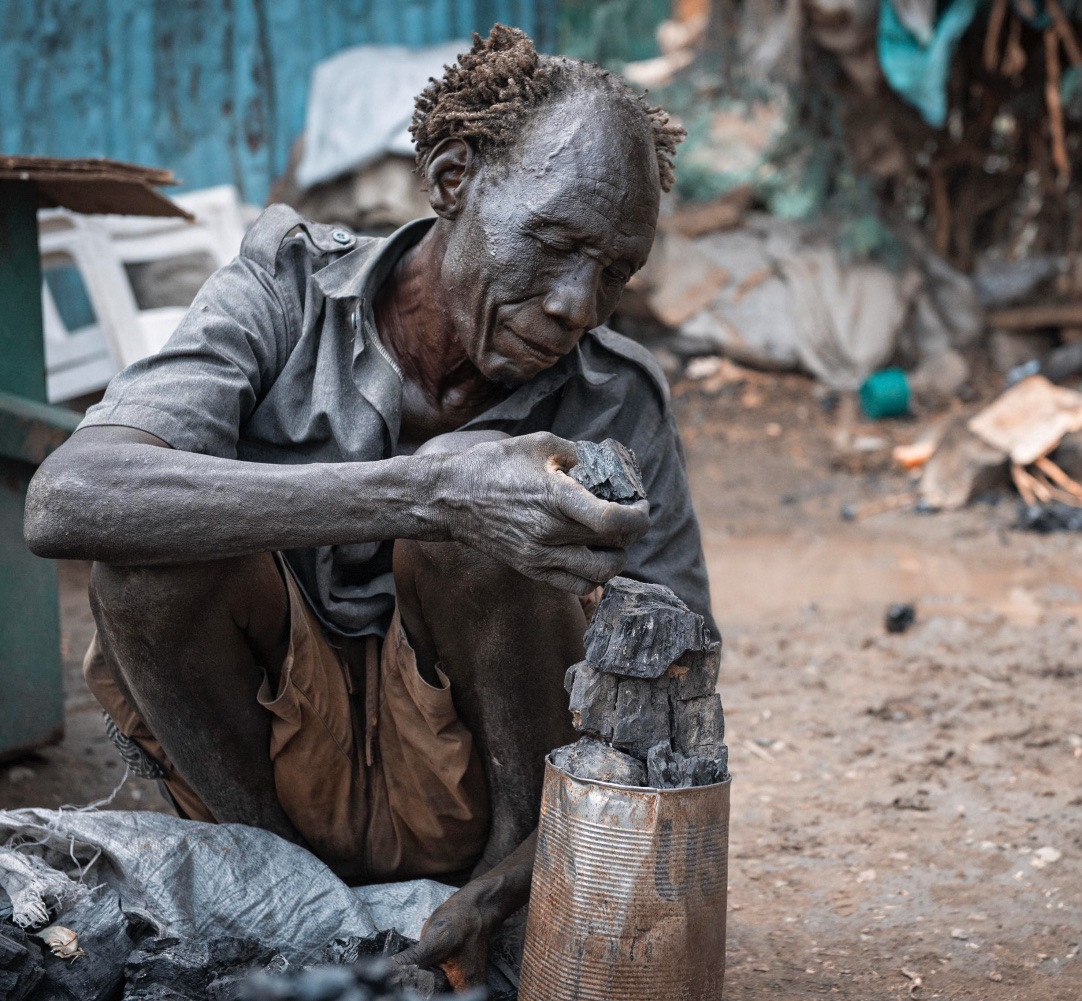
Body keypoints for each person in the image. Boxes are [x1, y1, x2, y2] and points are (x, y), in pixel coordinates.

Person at [24, 25, 713, 991]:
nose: (577, 304)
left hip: (482, 823)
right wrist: (429, 491)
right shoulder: (282, 284)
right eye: (557, 244)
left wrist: (505, 885)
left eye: (615, 273)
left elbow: (675, 703)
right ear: (451, 178)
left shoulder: (617, 395)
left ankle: (492, 933)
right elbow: (67, 500)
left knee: (499, 529)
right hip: (251, 782)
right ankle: (276, 893)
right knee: (149, 542)